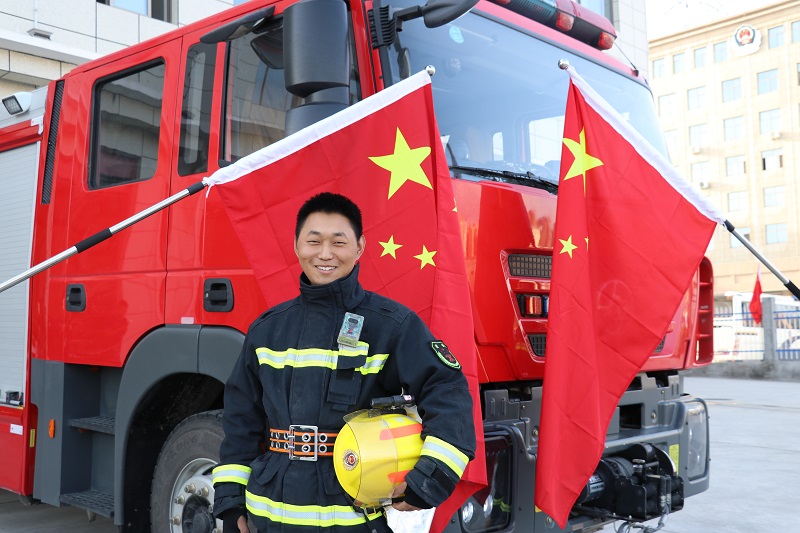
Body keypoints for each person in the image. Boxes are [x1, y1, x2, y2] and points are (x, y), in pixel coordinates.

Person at [212, 192, 476, 533]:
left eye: (338, 242)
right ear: (296, 246)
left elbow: (448, 392)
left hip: (356, 518)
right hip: (270, 517)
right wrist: (231, 502)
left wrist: (429, 478)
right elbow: (240, 420)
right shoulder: (267, 330)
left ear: (360, 247)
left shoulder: (392, 325)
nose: (325, 254)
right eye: (314, 241)